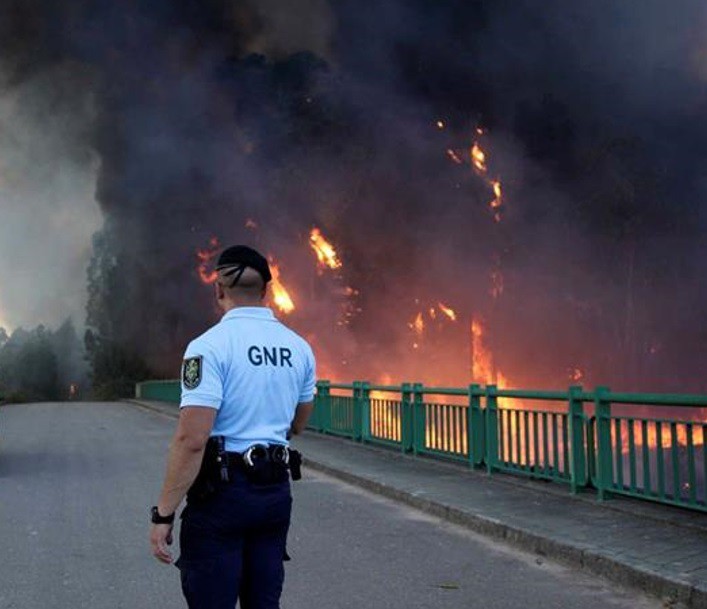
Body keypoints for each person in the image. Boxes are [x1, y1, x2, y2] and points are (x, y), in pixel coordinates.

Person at [149, 244, 316, 609]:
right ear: (267, 290)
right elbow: (299, 423)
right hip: (274, 494)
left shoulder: (208, 348)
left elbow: (192, 439)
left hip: (221, 498)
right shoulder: (299, 348)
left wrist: (164, 513)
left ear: (219, 289)